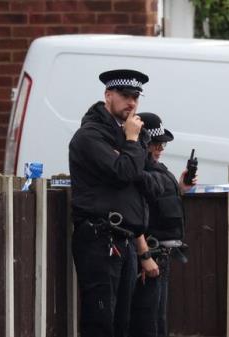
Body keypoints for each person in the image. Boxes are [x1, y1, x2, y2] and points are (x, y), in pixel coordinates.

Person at [69, 69, 160, 337]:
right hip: (99, 238)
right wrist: (132, 143)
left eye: (135, 97)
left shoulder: (126, 138)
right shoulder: (90, 136)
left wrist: (130, 154)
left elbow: (152, 182)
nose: (131, 103)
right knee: (101, 322)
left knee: (122, 322)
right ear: (108, 95)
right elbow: (123, 173)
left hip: (125, 240)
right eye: (124, 95)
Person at [130, 112, 197, 337]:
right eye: (155, 144)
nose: (159, 149)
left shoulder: (155, 167)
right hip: (149, 255)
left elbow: (158, 204)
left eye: (162, 145)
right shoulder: (138, 168)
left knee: (158, 321)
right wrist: (144, 255)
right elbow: (134, 213)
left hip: (161, 255)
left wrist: (179, 188)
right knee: (146, 322)